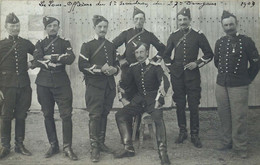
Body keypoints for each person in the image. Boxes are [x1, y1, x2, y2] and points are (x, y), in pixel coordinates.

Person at [163, 7, 214, 148]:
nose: (182, 22)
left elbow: (209, 54)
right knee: (179, 104)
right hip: (177, 76)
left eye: (185, 19)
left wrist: (197, 63)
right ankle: (182, 132)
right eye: (180, 20)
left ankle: (194, 134)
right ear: (177, 21)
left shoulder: (198, 35)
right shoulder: (173, 36)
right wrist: (171, 68)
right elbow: (166, 55)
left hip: (193, 76)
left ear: (190, 20)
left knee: (193, 105)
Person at [114, 42, 171, 165]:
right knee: (120, 115)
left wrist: (159, 100)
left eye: (141, 52)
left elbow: (164, 82)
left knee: (158, 118)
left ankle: (163, 153)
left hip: (153, 100)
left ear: (147, 53)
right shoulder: (133, 68)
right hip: (138, 101)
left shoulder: (155, 66)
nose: (139, 55)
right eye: (137, 53)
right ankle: (128, 147)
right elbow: (124, 84)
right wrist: (123, 98)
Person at [214, 10, 259, 159]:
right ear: (222, 26)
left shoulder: (246, 41)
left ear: (236, 24)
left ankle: (240, 146)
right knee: (224, 114)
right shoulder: (220, 42)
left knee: (239, 117)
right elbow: (217, 62)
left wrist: (246, 79)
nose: (229, 27)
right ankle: (226, 142)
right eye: (226, 25)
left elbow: (256, 63)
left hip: (239, 85)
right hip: (221, 84)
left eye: (231, 24)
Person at [32, 16, 77, 160]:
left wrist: (51, 58)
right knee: (47, 114)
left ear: (58, 27)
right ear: (45, 28)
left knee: (66, 115)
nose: (52, 28)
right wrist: (57, 57)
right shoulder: (40, 43)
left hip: (61, 82)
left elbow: (70, 58)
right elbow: (36, 59)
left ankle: (67, 147)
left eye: (55, 25)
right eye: (50, 26)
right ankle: (53, 145)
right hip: (43, 83)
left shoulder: (65, 42)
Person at [78, 15, 119, 163]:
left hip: (109, 87)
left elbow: (117, 64)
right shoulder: (87, 45)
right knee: (95, 115)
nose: (103, 29)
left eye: (105, 27)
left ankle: (101, 143)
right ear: (94, 28)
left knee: (104, 114)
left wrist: (115, 69)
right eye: (100, 27)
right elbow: (82, 65)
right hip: (94, 86)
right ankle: (94, 147)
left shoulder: (111, 45)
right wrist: (101, 69)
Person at [113, 6, 165, 104]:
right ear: (133, 20)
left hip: (143, 71)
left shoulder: (149, 35)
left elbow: (162, 49)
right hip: (128, 69)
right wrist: (120, 59)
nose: (139, 21)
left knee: (142, 95)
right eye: (136, 19)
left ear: (144, 20)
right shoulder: (127, 33)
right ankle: (129, 116)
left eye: (141, 19)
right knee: (128, 95)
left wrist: (153, 61)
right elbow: (111, 46)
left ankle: (139, 118)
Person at [0, 12, 35, 159]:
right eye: (12, 25)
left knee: (21, 115)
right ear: (6, 27)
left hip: (24, 86)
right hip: (6, 87)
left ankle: (19, 144)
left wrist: (31, 64)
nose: (15, 28)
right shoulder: (1, 45)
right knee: (6, 116)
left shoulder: (25, 43)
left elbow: (39, 54)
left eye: (17, 25)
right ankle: (5, 146)